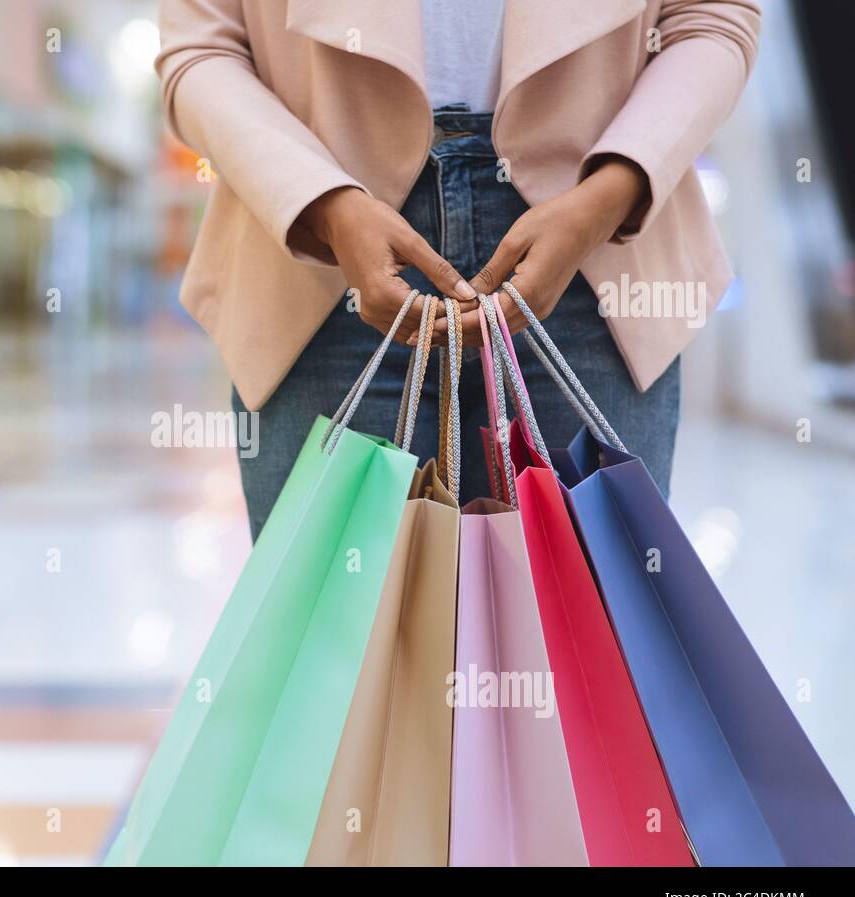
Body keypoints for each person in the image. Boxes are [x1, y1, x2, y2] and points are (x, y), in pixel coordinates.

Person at [155, 0, 762, 539]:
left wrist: (610, 193)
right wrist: (324, 205)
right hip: (319, 256)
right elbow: (202, 45)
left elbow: (710, 18)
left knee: (583, 646)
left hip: (596, 251)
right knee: (339, 649)